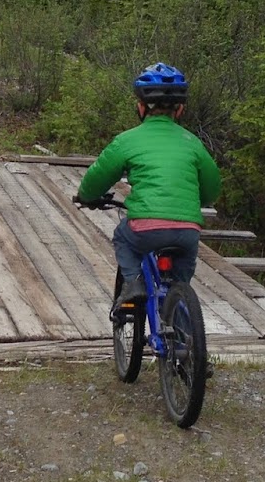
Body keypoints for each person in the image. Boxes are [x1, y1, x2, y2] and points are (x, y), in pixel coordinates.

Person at [75, 62, 221, 314]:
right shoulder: (193, 143)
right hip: (188, 231)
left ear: (141, 107)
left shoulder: (127, 140)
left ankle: (133, 284)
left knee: (123, 236)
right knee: (179, 282)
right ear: (180, 109)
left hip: (145, 229)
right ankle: (181, 326)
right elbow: (212, 189)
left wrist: (87, 196)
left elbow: (98, 176)